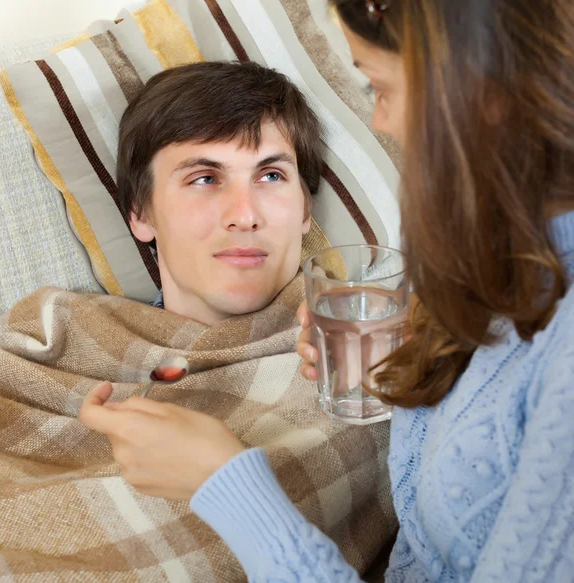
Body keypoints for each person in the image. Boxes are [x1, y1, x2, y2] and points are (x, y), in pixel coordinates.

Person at [80, 0, 574, 581]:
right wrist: (427, 366)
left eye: (380, 87)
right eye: (205, 177)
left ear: (482, 96)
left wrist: (229, 487)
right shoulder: (479, 288)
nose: (381, 123)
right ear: (138, 213)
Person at [117, 60, 320, 324]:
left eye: (271, 176)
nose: (245, 217)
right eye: (204, 179)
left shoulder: (373, 346)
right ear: (141, 214)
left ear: (305, 209)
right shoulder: (68, 350)